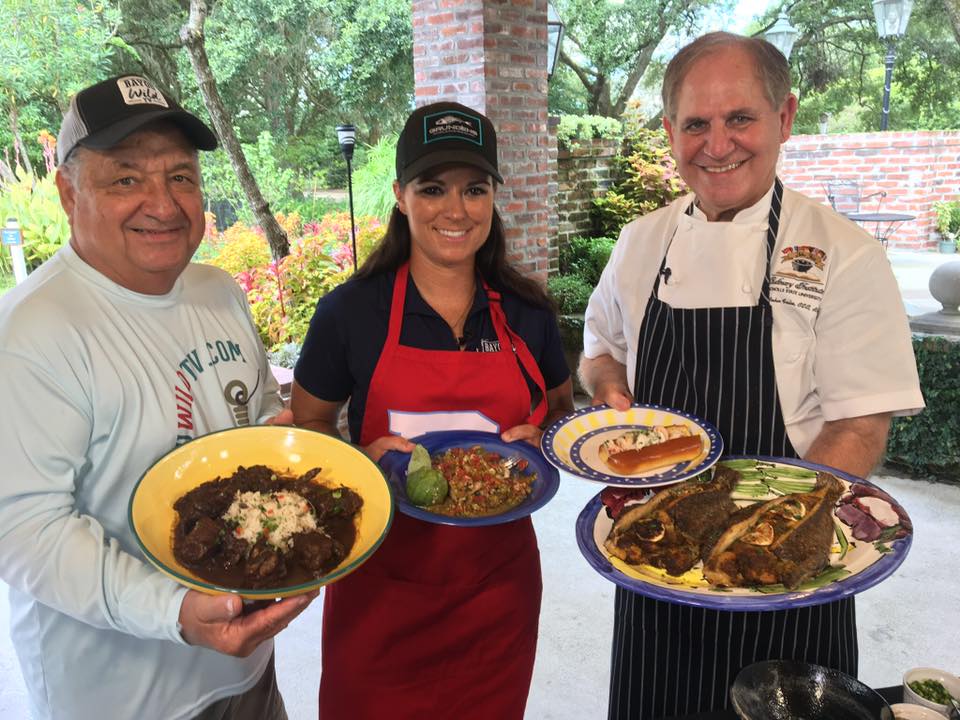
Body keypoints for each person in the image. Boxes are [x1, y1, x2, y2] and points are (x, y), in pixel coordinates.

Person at [579, 32, 924, 719]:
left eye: (740, 118)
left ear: (785, 118)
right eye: (695, 123)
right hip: (656, 557)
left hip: (785, 571)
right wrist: (611, 396)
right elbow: (599, 351)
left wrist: (764, 538)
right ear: (670, 130)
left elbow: (860, 425)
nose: (718, 144)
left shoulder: (844, 254)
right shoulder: (641, 241)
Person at [0, 76, 316, 720]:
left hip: (246, 668)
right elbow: (24, 532)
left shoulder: (217, 290)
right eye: (125, 179)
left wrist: (293, 448)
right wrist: (174, 611)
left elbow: (252, 422)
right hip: (122, 699)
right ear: (67, 191)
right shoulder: (29, 333)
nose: (163, 204)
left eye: (180, 176)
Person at [291, 101, 575, 719]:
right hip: (377, 590)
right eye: (432, 187)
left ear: (493, 198)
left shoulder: (527, 313)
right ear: (400, 195)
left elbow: (561, 411)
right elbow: (309, 422)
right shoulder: (351, 312)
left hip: (496, 595)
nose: (456, 210)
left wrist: (546, 435)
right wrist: (358, 461)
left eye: (475, 189)